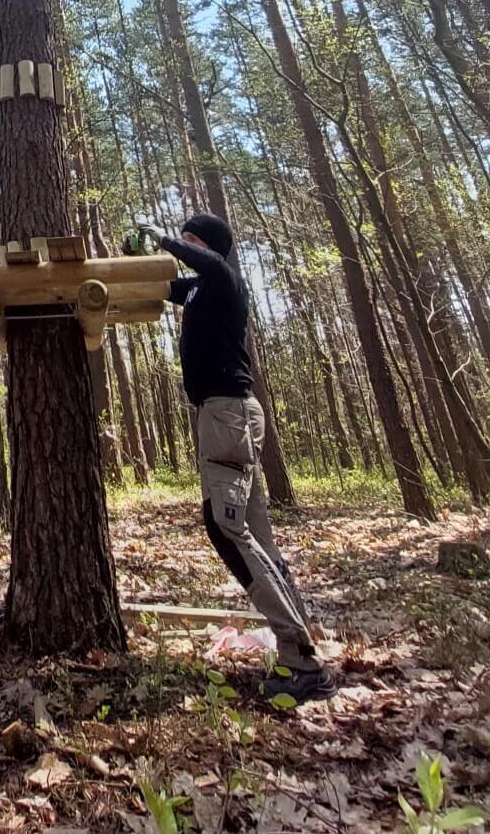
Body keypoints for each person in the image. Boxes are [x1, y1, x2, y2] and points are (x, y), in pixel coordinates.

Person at [160, 212, 336, 704]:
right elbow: (161, 286)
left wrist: (163, 238)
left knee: (226, 527)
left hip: (228, 414)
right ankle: (299, 644)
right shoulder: (198, 289)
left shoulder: (224, 279)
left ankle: (300, 656)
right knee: (253, 535)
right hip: (225, 416)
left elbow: (205, 261)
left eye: (191, 241)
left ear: (209, 247)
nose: (185, 248)